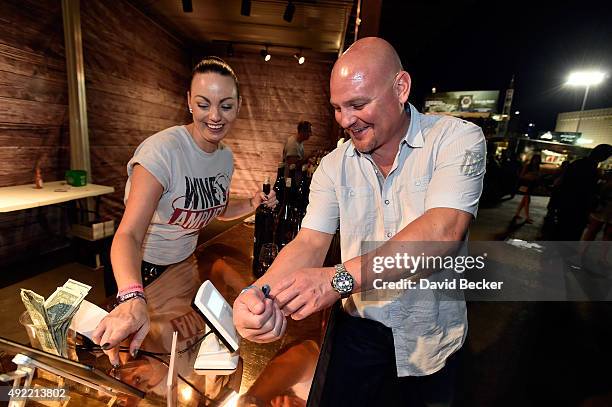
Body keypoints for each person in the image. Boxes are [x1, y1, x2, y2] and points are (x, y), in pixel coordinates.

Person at [233, 37, 485, 406]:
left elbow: (444, 230)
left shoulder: (456, 139)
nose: (345, 120)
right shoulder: (335, 165)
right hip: (359, 331)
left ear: (401, 87)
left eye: (357, 104)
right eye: (337, 108)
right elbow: (309, 242)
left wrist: (338, 279)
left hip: (430, 336)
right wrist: (258, 293)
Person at [92, 57, 277, 367]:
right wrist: (132, 296)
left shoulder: (224, 157)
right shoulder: (162, 153)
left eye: (226, 106)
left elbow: (213, 206)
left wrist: (251, 203)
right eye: (204, 104)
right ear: (189, 101)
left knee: (187, 358)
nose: (215, 116)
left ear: (239, 105)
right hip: (141, 274)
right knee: (143, 366)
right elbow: (129, 234)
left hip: (184, 267)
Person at [552, 144, 612, 240]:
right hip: (578, 207)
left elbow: (560, 182)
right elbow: (589, 191)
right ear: (603, 156)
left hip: (566, 203)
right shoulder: (591, 169)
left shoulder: (578, 163)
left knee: (561, 232)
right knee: (570, 234)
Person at [514, 154, 541, 223]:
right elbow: (521, 176)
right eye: (535, 159)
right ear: (533, 159)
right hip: (526, 185)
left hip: (531, 185)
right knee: (527, 201)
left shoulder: (537, 167)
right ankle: (527, 217)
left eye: (538, 159)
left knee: (524, 201)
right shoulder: (528, 166)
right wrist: (529, 176)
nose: (536, 161)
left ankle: (517, 214)